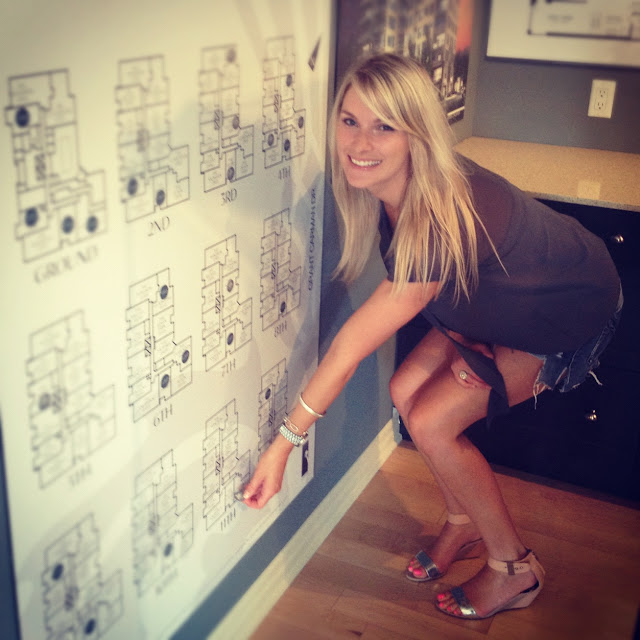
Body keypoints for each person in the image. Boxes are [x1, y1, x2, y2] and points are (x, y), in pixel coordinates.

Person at [242, 53, 622, 620]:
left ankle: (514, 569)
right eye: (350, 120)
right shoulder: (397, 192)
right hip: (503, 301)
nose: (359, 142)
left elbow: (350, 347)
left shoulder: (440, 213)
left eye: (384, 126)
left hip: (567, 308)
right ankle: (463, 523)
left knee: (432, 422)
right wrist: (475, 330)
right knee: (404, 392)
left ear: (416, 134)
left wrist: (282, 446)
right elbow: (475, 273)